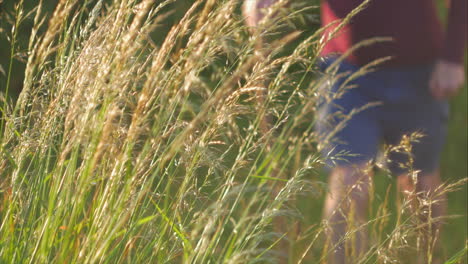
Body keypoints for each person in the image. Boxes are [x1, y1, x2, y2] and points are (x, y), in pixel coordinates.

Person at [242, 0, 466, 263]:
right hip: (345, 70)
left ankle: (428, 258)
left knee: (418, 184)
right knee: (349, 180)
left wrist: (452, 57)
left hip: (418, 69)